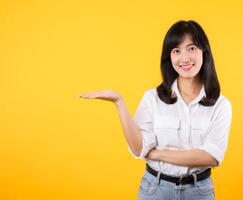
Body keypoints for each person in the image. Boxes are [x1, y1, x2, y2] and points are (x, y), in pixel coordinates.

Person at [80, 20, 232, 200]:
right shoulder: (152, 98)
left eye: (191, 48)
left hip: (198, 191)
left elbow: (211, 157)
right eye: (177, 51)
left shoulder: (220, 105)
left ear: (204, 52)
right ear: (170, 58)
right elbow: (139, 149)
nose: (185, 58)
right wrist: (119, 103)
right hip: (155, 190)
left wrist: (157, 154)